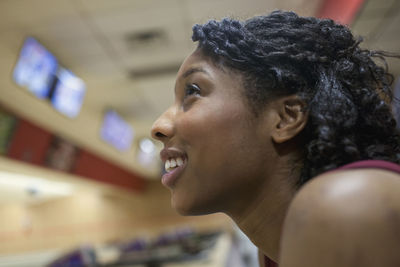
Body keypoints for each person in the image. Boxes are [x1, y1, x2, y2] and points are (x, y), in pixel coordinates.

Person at [151, 10, 400, 267]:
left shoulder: (349, 204)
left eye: (192, 91)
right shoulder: (273, 249)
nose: (158, 126)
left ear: (285, 117)